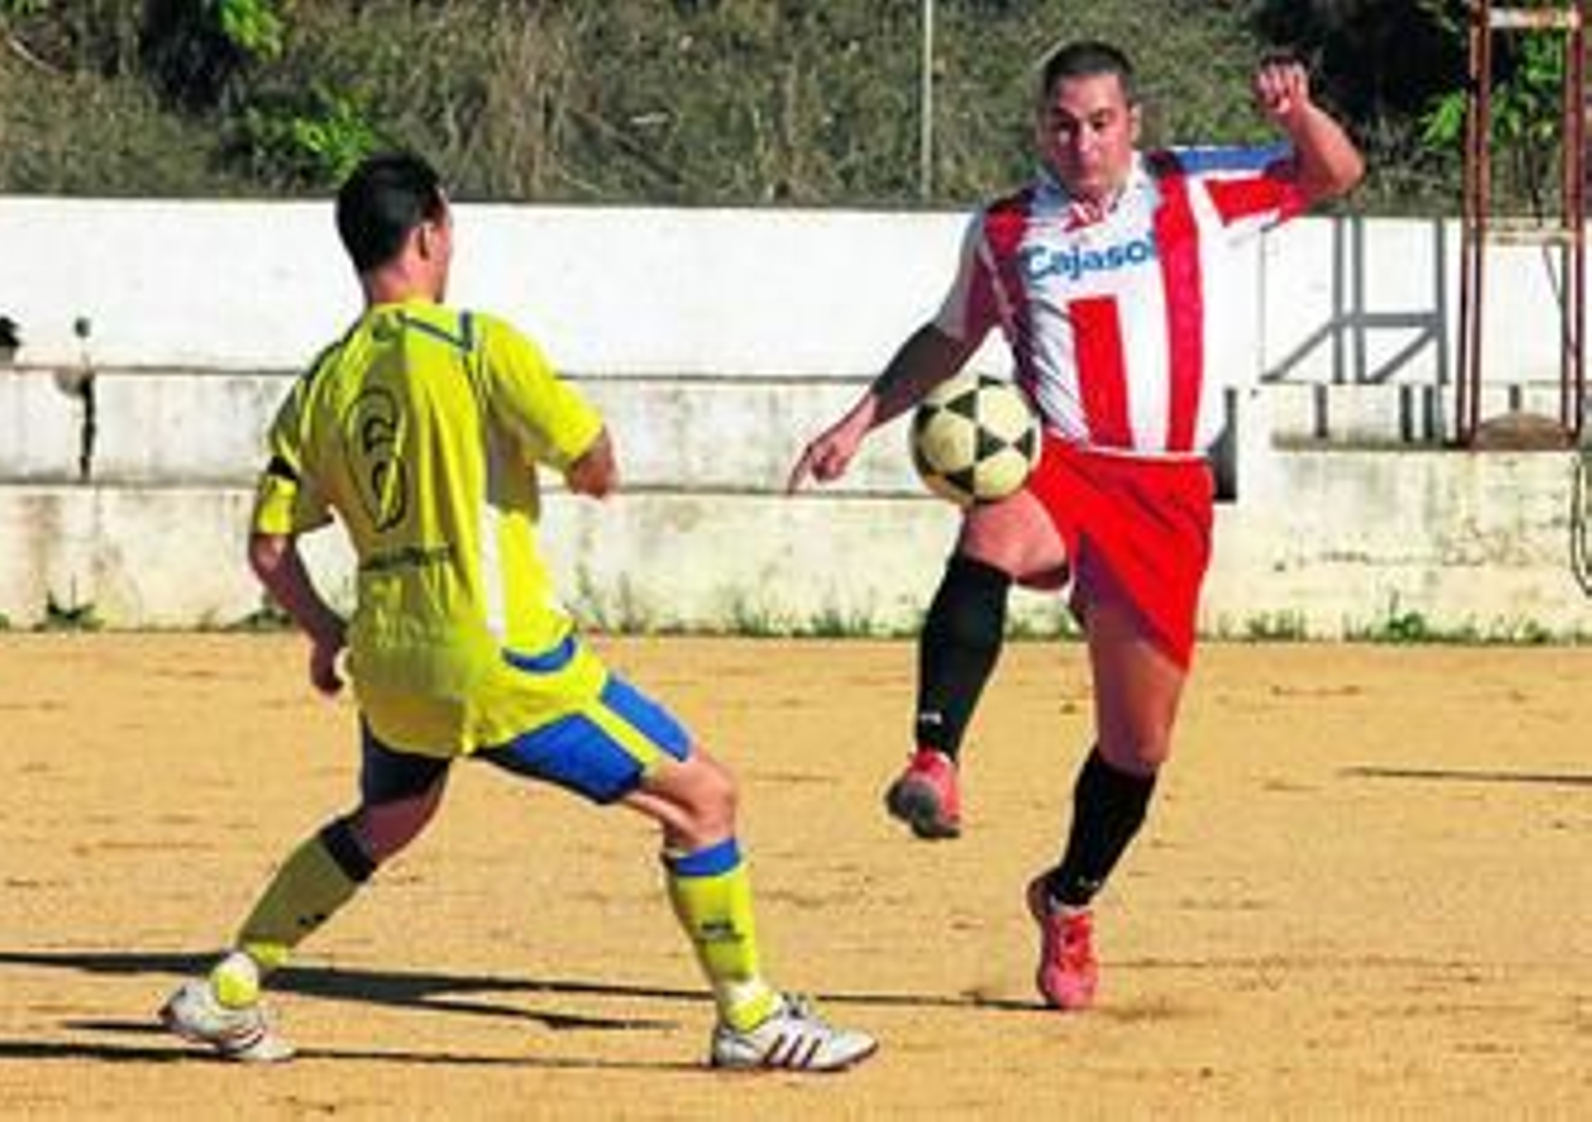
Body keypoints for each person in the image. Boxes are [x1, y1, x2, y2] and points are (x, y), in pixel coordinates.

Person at [159, 151, 877, 1072]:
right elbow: (595, 459)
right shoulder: (478, 345)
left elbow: (268, 549)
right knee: (705, 799)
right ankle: (750, 1017)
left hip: (390, 663)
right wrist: (583, 471)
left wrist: (326, 633)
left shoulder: (322, 384)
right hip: (502, 660)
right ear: (431, 230)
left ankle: (228, 989)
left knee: (387, 822)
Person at [788, 41, 1362, 1010]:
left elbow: (1333, 173)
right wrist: (858, 419)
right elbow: (948, 336)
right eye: (1063, 124)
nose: (1082, 141)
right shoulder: (1007, 229)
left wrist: (1293, 114)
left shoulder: (1194, 189)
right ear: (1038, 127)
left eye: (1100, 122)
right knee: (990, 531)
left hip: (1165, 492)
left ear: (1132, 122)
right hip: (1062, 462)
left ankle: (1067, 899)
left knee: (1138, 746)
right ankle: (935, 756)